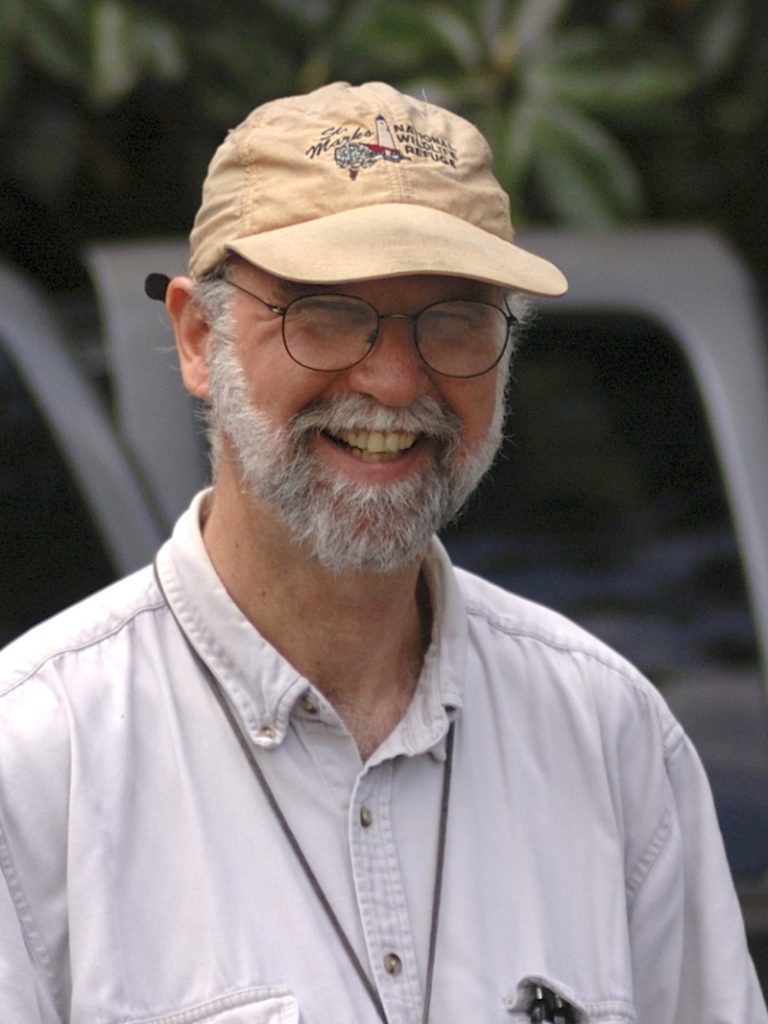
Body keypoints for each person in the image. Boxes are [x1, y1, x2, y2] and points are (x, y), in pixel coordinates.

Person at [0, 81, 765, 1024]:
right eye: (325, 312)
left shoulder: (609, 736)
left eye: (453, 319)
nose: (397, 380)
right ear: (201, 338)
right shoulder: (36, 764)